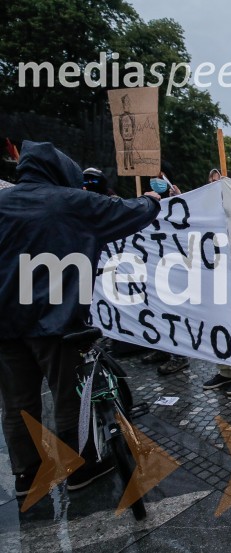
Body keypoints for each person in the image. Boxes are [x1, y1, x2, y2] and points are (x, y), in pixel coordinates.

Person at [0, 141, 161, 497]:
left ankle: (27, 474)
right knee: (69, 396)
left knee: (16, 402)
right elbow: (129, 211)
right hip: (56, 320)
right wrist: (152, 199)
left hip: (5, 324)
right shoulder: (70, 202)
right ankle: (80, 468)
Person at [139, 162, 192, 375]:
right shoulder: (147, 200)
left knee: (173, 310)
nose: (155, 181)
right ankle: (162, 347)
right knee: (156, 307)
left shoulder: (179, 201)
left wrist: (179, 198)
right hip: (153, 264)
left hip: (175, 266)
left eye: (159, 177)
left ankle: (179, 355)